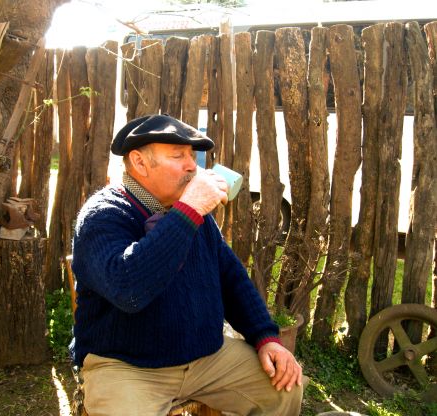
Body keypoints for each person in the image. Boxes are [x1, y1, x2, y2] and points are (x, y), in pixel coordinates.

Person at [71, 114, 304, 415]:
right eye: (178, 156)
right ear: (140, 162)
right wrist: (190, 208)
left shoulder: (194, 216)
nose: (192, 165)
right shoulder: (103, 215)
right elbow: (128, 289)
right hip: (126, 365)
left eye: (192, 156)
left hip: (206, 358)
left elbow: (231, 278)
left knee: (285, 389)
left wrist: (266, 337)